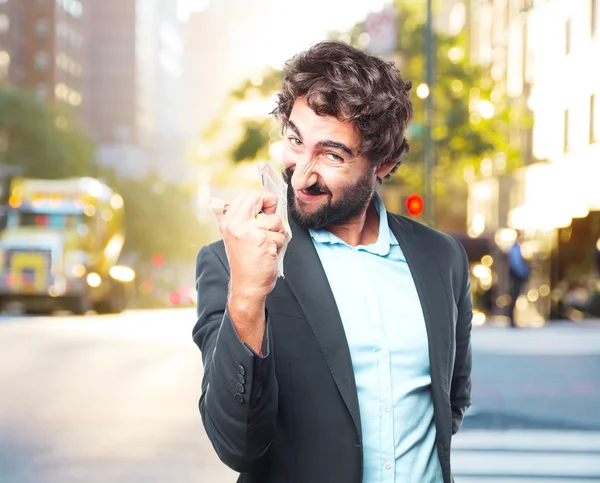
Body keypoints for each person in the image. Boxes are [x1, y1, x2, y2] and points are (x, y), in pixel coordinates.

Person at [193, 41, 473, 483]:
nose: (302, 174)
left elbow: (450, 400)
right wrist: (248, 291)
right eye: (295, 141)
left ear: (383, 162)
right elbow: (237, 443)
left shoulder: (442, 257)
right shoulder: (231, 261)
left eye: (331, 154)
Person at [507, 231, 531, 327]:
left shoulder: (517, 248)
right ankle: (511, 319)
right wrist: (524, 273)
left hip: (517, 275)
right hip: (517, 276)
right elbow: (516, 264)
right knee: (514, 296)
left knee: (514, 296)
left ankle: (512, 319)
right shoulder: (515, 249)